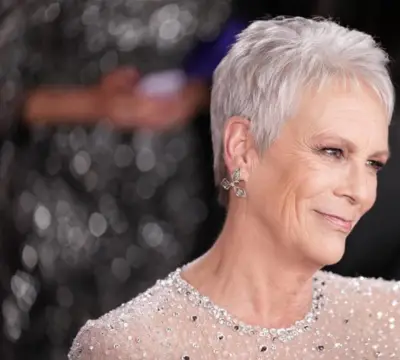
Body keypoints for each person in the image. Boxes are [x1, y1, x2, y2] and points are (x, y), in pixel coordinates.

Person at [68, 16, 400, 360]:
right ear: (242, 148)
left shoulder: (393, 321)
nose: (362, 192)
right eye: (333, 152)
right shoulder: (126, 347)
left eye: (373, 164)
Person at [0, 1, 231, 359]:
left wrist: (195, 96)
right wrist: (93, 104)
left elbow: (249, 55)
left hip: (167, 197)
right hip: (54, 201)